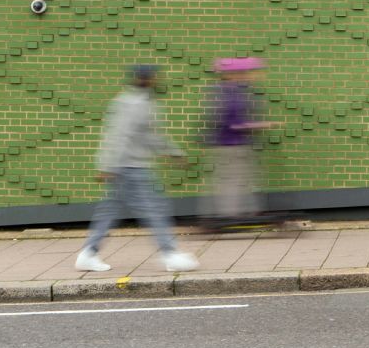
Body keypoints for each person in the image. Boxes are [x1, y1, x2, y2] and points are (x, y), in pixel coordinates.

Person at [73, 64, 198, 273]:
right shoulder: (136, 104)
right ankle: (170, 254)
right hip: (131, 168)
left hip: (125, 167)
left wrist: (171, 152)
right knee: (155, 209)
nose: (157, 80)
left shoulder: (137, 102)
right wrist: (107, 166)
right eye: (154, 77)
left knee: (109, 212)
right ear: (146, 79)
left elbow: (148, 135)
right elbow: (121, 136)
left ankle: (88, 253)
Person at [201, 57, 275, 229]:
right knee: (234, 180)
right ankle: (230, 215)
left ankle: (245, 211)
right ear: (234, 75)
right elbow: (234, 124)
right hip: (232, 145)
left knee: (240, 178)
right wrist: (262, 125)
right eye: (246, 73)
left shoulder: (226, 91)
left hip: (232, 143)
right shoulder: (232, 95)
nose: (251, 76)